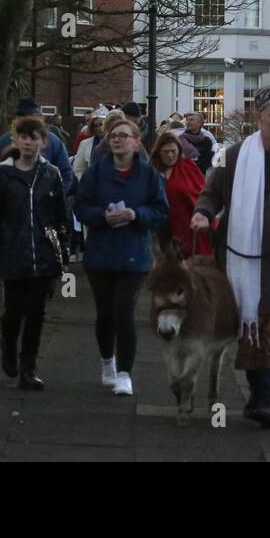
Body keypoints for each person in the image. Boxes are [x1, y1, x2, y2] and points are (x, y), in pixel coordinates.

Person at [190, 85, 270, 429]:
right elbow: (210, 194)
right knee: (249, 324)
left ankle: (267, 400)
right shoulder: (231, 157)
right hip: (238, 257)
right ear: (258, 117)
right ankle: (259, 396)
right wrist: (202, 213)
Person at [74, 114, 169, 396]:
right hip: (100, 253)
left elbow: (161, 211)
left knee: (124, 312)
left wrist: (136, 214)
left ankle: (125, 373)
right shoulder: (96, 173)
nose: (117, 140)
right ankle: (108, 363)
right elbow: (80, 207)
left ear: (136, 143)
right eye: (113, 136)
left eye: (123, 135)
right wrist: (102, 216)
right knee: (105, 314)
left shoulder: (148, 174)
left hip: (134, 254)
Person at [0, 114, 69, 391]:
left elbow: (60, 217)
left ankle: (29, 367)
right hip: (12, 252)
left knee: (36, 313)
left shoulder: (51, 174)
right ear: (16, 140)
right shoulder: (3, 174)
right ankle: (8, 345)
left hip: (43, 254)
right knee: (14, 309)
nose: (28, 142)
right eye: (24, 137)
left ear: (43, 142)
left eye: (34, 138)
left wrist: (63, 253)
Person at [0, 97, 74, 191]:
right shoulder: (2, 142)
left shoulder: (54, 142)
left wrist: (53, 195)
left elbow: (66, 174)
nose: (28, 142)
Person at [150, 129, 213, 257]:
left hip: (185, 227)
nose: (170, 155)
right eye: (166, 152)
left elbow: (201, 195)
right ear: (159, 152)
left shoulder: (189, 167)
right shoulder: (151, 171)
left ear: (179, 151)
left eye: (173, 151)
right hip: (159, 228)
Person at [174, 111, 217, 176]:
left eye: (191, 120)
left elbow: (207, 161)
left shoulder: (206, 141)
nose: (188, 122)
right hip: (181, 175)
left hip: (199, 176)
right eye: (187, 120)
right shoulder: (179, 138)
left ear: (200, 123)